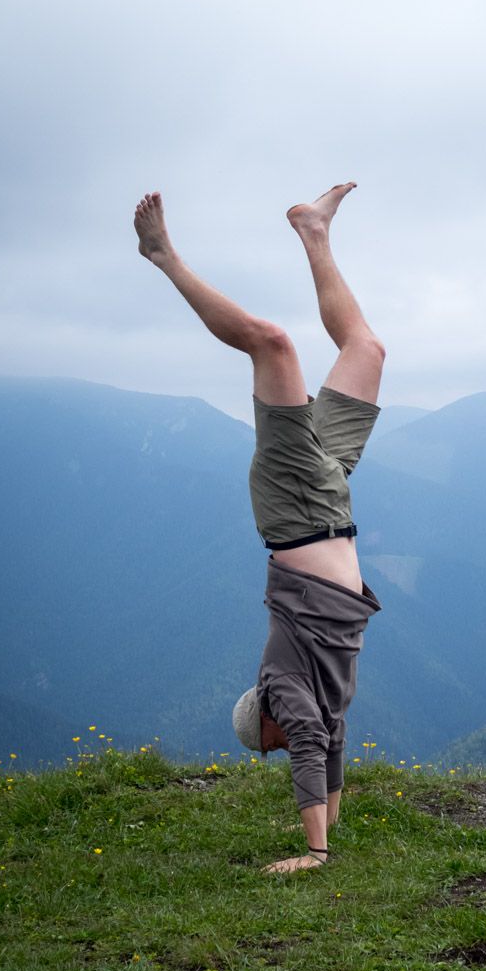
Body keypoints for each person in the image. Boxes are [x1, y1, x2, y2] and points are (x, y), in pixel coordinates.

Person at [133, 183, 384, 873]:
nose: (277, 741)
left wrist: (314, 853)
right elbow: (326, 747)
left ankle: (162, 256)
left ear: (265, 715)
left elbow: (304, 742)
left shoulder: (278, 684)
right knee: (365, 348)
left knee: (272, 344)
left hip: (296, 513)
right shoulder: (320, 702)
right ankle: (313, 232)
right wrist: (330, 824)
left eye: (267, 738)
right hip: (327, 502)